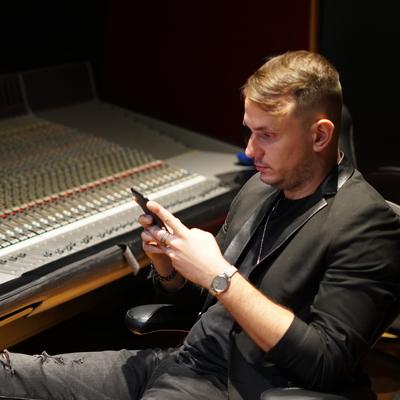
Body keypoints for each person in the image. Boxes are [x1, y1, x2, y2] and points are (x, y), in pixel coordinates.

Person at [1, 50, 399, 400]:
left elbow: (325, 362)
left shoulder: (365, 223)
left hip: (236, 387)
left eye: (267, 135)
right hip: (178, 364)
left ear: (320, 135)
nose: (250, 150)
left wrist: (219, 275)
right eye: (249, 131)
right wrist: (169, 265)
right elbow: (205, 302)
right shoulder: (260, 189)